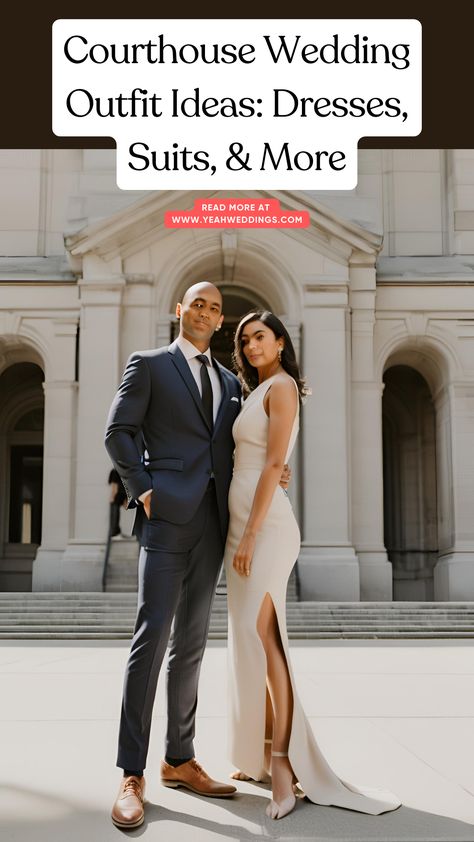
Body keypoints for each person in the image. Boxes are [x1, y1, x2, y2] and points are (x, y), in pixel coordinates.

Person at [104, 283, 290, 828]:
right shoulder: (150, 365)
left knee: (190, 647)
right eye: (197, 304)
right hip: (164, 519)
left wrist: (277, 471)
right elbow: (118, 432)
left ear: (220, 318)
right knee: (151, 637)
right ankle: (131, 772)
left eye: (214, 307)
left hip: (214, 524)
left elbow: (240, 446)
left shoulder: (232, 382)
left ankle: (179, 758)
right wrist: (144, 489)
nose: (205, 312)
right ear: (180, 310)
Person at [224, 310, 401, 820]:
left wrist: (253, 532)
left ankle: (284, 763)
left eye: (260, 336)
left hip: (265, 529)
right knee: (248, 640)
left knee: (268, 638)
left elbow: (275, 463)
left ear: (280, 341)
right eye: (244, 339)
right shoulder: (253, 391)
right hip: (242, 524)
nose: (252, 344)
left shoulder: (281, 387)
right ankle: (259, 749)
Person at [108, 467, 127, 540]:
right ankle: (116, 532)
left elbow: (114, 486)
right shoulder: (123, 471)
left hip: (117, 495)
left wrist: (112, 497)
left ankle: (115, 532)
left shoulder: (114, 471)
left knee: (114, 514)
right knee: (117, 514)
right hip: (123, 495)